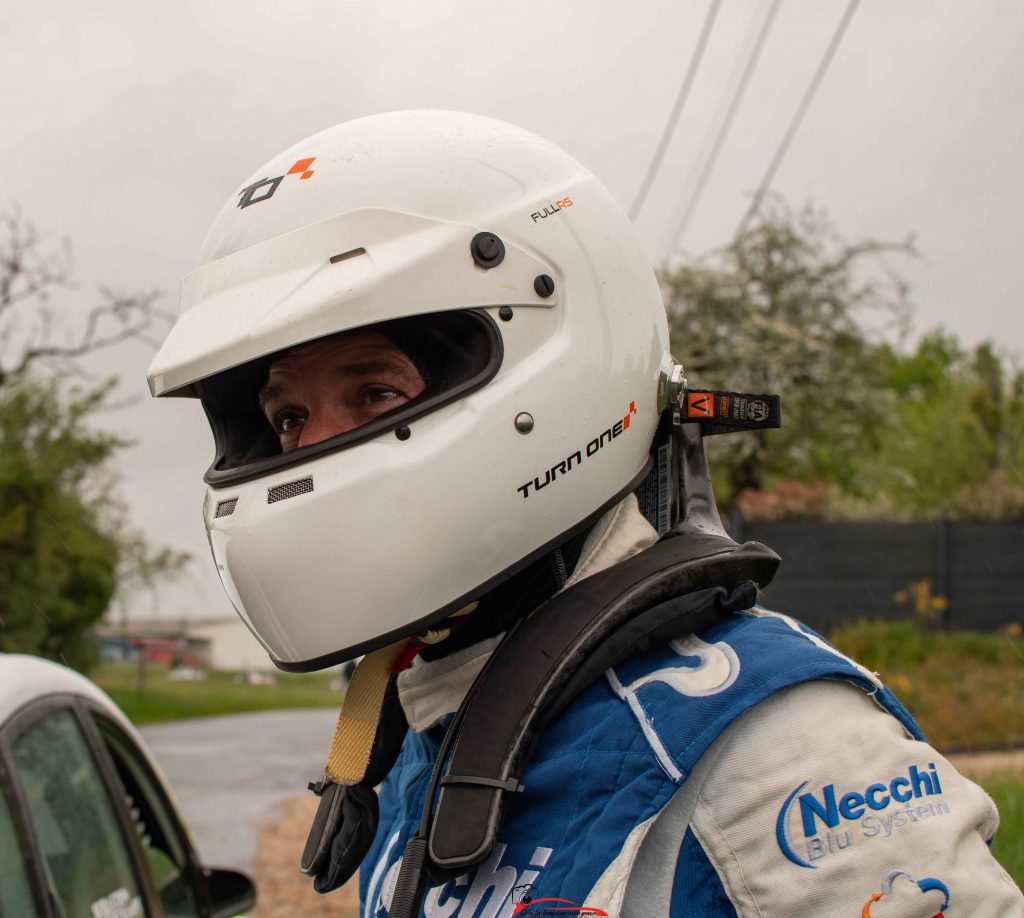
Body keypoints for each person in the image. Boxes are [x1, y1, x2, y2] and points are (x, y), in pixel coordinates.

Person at [149, 111, 1022, 917]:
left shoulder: (777, 755)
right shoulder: (439, 702)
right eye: (288, 417)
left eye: (376, 392)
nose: (309, 449)